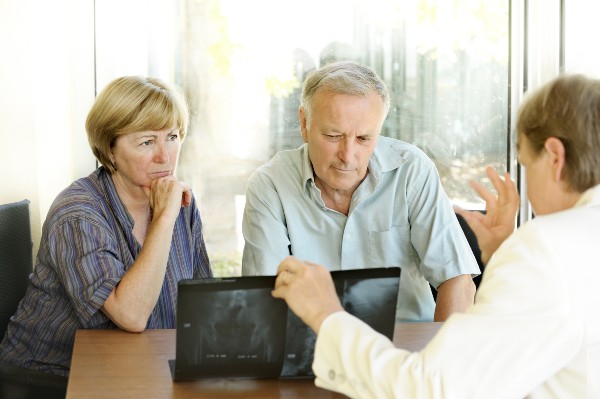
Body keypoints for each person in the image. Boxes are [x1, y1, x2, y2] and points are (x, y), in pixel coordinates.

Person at [271, 74, 600, 398]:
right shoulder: (571, 244)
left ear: (555, 158)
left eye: (527, 164)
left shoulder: (545, 247)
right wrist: (504, 256)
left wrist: (326, 315)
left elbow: (435, 390)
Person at [0, 77, 212, 387]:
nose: (165, 156)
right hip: (49, 379)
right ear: (110, 149)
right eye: (147, 141)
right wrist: (164, 218)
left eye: (172, 136)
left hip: (139, 367)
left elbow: (202, 302)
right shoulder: (77, 213)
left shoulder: (181, 204)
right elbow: (131, 315)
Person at [242, 60, 479, 322]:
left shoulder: (411, 170)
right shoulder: (270, 185)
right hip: (314, 350)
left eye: (364, 138)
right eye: (333, 136)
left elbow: (457, 280)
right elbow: (265, 302)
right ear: (304, 123)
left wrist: (441, 359)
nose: (348, 156)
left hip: (405, 351)